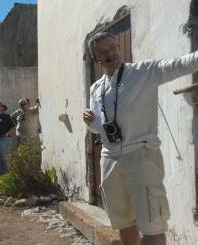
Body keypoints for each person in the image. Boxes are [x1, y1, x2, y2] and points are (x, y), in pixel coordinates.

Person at [82, 32, 198, 245]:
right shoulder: (96, 88)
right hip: (109, 159)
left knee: (152, 222)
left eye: (112, 48)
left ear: (117, 47)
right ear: (96, 58)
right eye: (102, 52)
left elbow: (179, 64)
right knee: (123, 222)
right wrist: (90, 121)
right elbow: (99, 128)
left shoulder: (143, 72)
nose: (109, 54)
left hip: (141, 155)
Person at [0, 101, 14, 175]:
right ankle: (2, 173)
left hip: (4, 139)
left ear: (2, 107)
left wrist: (6, 134)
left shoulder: (7, 116)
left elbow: (12, 126)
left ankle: (8, 174)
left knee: (5, 158)